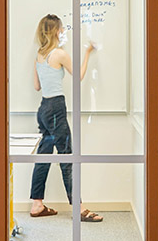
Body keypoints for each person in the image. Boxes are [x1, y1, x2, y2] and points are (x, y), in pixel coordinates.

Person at [28, 14, 103, 223]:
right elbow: (78, 76)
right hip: (56, 109)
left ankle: (37, 204)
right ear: (55, 31)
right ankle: (78, 208)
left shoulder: (39, 55)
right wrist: (88, 52)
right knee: (67, 156)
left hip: (43, 109)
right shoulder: (59, 54)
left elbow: (37, 86)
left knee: (44, 156)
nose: (63, 32)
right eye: (61, 29)